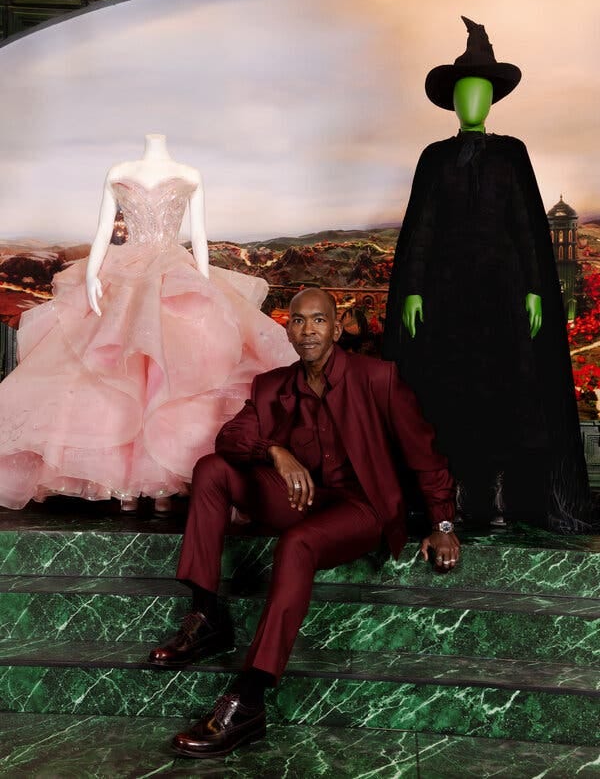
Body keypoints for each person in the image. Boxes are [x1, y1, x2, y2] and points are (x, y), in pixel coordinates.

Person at [149, 287, 459, 758]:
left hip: (361, 508)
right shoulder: (273, 385)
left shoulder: (378, 379)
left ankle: (249, 698)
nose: (308, 329)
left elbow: (426, 455)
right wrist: (275, 452)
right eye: (298, 321)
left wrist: (443, 523)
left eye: (318, 320)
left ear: (337, 329)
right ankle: (207, 612)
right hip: (301, 499)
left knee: (296, 545)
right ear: (287, 328)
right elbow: (231, 438)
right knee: (211, 469)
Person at [0, 134, 296, 511]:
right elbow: (103, 233)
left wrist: (205, 290)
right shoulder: (119, 172)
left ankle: (161, 482)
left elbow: (199, 236)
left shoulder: (190, 174)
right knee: (123, 371)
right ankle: (128, 482)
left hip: (175, 273)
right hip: (127, 274)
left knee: (167, 371)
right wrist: (92, 274)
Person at [382, 17, 594, 532]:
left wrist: (535, 291)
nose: (471, 102)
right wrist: (411, 291)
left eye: (479, 93)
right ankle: (447, 495)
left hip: (502, 294)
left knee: (507, 391)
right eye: (464, 94)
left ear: (491, 100)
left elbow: (525, 224)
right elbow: (422, 229)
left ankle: (498, 495)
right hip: (446, 297)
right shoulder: (434, 158)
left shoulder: (512, 153)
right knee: (446, 390)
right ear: (454, 102)